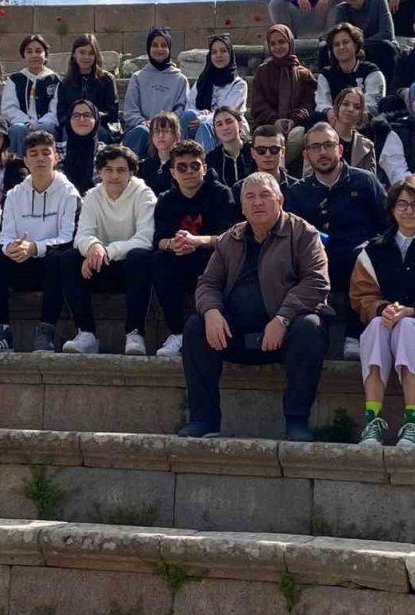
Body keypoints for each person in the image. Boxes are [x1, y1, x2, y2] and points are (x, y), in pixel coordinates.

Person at [179, 172, 332, 440]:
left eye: (264, 195)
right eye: (250, 197)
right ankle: (204, 419)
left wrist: (283, 319)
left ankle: (297, 421)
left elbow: (316, 282)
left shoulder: (304, 234)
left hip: (282, 335)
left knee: (310, 327)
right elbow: (207, 283)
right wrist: (212, 312)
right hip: (234, 334)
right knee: (195, 326)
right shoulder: (231, 238)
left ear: (280, 199)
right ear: (242, 206)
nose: (257, 202)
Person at [349, 176, 415, 447]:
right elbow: (361, 296)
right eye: (402, 204)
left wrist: (414, 311)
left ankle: (413, 424)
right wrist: (382, 309)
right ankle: (372, 420)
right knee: (375, 325)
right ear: (392, 209)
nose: (409, 210)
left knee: (408, 327)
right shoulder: (373, 251)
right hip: (387, 330)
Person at [286, 121, 390, 359]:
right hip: (317, 262)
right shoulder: (297, 192)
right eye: (315, 147)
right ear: (306, 155)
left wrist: (371, 245)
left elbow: (389, 226)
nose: (322, 152)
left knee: (366, 256)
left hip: (360, 260)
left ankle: (355, 335)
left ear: (340, 149)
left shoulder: (365, 182)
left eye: (328, 145)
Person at [0, 129, 81, 353]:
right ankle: (0, 332)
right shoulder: (15, 194)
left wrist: (34, 248)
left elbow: (68, 238)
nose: (40, 158)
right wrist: (11, 248)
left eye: (46, 153)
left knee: (59, 259)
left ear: (56, 157)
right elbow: (4, 235)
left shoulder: (69, 193)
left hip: (49, 266)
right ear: (25, 160)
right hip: (21, 262)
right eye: (33, 154)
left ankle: (46, 332)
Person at [61, 145, 157, 355]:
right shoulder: (93, 196)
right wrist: (93, 246)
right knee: (68, 259)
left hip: (130, 269)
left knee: (139, 257)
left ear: (131, 172)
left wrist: (106, 250)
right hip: (98, 267)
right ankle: (86, 333)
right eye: (108, 170)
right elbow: (82, 235)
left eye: (121, 170)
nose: (114, 175)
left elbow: (145, 238)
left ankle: (135, 333)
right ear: (100, 172)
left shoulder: (144, 194)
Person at [150, 140, 239, 359]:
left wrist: (197, 241)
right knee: (159, 259)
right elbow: (158, 239)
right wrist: (173, 243)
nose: (189, 171)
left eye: (195, 165)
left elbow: (230, 237)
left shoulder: (221, 194)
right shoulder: (165, 200)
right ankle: (177, 334)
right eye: (182, 167)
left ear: (204, 168)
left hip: (212, 259)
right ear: (172, 172)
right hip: (179, 259)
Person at [122, 27, 189, 157]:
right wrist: (144, 122)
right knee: (143, 132)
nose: (159, 49)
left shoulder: (180, 79)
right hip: (142, 128)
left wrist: (163, 125)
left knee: (162, 135)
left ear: (169, 49)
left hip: (168, 129)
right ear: (148, 48)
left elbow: (182, 108)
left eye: (164, 45)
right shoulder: (138, 77)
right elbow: (130, 111)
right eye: (155, 45)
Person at [48, 34, 121, 144]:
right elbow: (61, 113)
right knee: (69, 132)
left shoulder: (106, 80)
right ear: (74, 54)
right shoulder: (65, 83)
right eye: (82, 52)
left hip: (100, 125)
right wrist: (77, 120)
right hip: (72, 125)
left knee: (96, 132)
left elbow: (112, 112)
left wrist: (90, 118)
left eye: (91, 53)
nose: (86, 57)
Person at [183, 34, 248, 154]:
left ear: (230, 54)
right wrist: (201, 114)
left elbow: (227, 112)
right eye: (214, 52)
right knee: (187, 116)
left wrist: (203, 118)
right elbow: (190, 105)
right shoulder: (203, 81)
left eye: (223, 51)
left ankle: (208, 168)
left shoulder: (239, 84)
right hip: (202, 120)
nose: (219, 55)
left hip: (228, 126)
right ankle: (184, 157)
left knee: (205, 127)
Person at [328, 0, 398, 80]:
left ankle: (389, 91)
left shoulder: (379, 1)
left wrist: (358, 45)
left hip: (378, 49)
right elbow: (338, 37)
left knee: (385, 46)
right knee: (325, 48)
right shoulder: (342, 9)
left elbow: (387, 33)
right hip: (354, 52)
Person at [251, 23, 316, 134]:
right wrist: (274, 121)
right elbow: (258, 104)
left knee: (295, 139)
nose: (277, 47)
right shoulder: (263, 72)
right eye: (273, 44)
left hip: (297, 125)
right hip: (267, 124)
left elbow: (309, 103)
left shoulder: (304, 74)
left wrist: (294, 120)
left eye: (282, 42)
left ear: (290, 42)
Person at [2, 34, 61, 154]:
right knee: (17, 130)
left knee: (45, 129)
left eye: (38, 51)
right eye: (29, 51)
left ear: (45, 55)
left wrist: (41, 123)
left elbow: (56, 107)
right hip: (22, 124)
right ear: (23, 56)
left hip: (47, 124)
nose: (34, 55)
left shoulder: (55, 80)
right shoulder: (14, 80)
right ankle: (18, 166)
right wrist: (27, 123)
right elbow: (9, 107)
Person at [314, 23, 386, 117]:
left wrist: (348, 116)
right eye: (336, 45)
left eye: (345, 42)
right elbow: (322, 103)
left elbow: (373, 105)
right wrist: (329, 112)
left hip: (364, 122)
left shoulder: (372, 72)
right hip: (333, 123)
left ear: (356, 45)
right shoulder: (326, 74)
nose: (341, 47)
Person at [324, 86, 376, 175]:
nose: (350, 109)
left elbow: (371, 183)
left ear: (361, 115)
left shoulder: (367, 146)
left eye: (356, 107)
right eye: (345, 104)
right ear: (337, 108)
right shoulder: (318, 138)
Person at [233, 124, 294, 199]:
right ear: (253, 153)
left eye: (274, 149)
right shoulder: (239, 189)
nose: (267, 154)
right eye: (261, 150)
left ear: (283, 152)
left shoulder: (296, 188)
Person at [61, 99, 104, 195]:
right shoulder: (56, 152)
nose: (81, 119)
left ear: (96, 119)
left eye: (87, 115)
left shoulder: (106, 154)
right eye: (76, 116)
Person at [204, 106, 254, 188]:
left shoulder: (255, 151)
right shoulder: (211, 158)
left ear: (240, 124)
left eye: (229, 122)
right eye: (219, 124)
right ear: (215, 130)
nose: (225, 127)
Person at [137, 111, 181, 197]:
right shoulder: (144, 166)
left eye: (166, 131)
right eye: (156, 131)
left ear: (176, 135)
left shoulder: (181, 166)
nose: (160, 135)